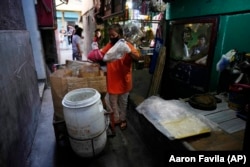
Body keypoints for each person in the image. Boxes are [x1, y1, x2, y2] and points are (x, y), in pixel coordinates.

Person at [100, 24, 140, 135]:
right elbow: (101, 56)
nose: (111, 37)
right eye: (110, 35)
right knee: (113, 103)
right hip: (113, 80)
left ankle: (122, 119)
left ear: (120, 35)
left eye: (113, 35)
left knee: (123, 102)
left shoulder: (126, 45)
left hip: (124, 80)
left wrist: (129, 51)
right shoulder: (109, 45)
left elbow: (137, 58)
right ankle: (116, 119)